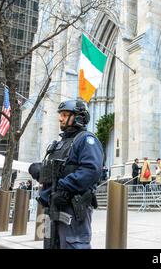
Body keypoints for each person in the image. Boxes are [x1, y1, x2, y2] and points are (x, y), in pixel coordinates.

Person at [28, 99, 103, 249]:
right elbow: (57, 170)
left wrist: (64, 188)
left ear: (79, 117)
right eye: (60, 114)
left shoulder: (86, 140)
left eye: (65, 114)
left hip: (72, 206)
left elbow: (91, 170)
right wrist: (39, 170)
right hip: (53, 204)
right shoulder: (60, 143)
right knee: (50, 245)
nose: (60, 118)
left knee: (73, 244)